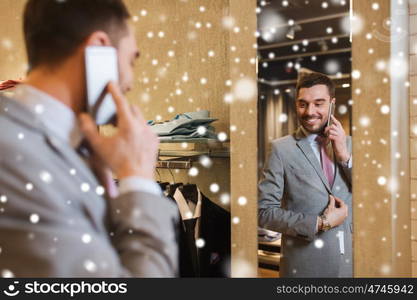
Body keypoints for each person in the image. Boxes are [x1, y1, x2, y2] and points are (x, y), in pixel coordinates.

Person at [0, 0, 178, 277]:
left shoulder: (50, 145)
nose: (130, 81)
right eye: (131, 60)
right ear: (98, 48)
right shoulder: (15, 159)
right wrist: (138, 178)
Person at [258, 72, 352, 277]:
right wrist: (320, 223)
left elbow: (372, 199)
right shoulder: (280, 149)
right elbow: (264, 212)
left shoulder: (351, 145)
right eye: (303, 104)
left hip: (349, 264)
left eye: (319, 103)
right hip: (303, 267)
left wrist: (344, 155)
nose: (310, 112)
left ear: (332, 104)